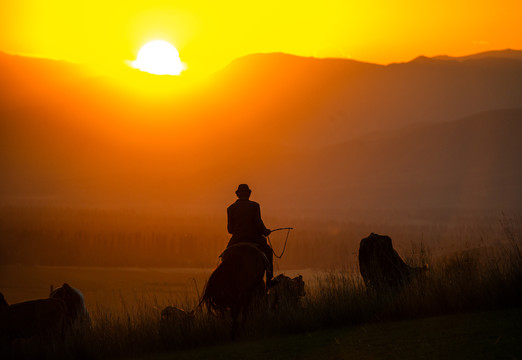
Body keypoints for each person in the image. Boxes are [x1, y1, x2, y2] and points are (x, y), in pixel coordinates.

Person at [226, 184, 274, 285]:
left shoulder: (230, 208)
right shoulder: (255, 206)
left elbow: (230, 230)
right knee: (268, 252)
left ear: (237, 195)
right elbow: (258, 224)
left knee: (225, 256)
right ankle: (270, 281)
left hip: (236, 239)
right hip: (254, 239)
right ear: (249, 194)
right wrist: (266, 231)